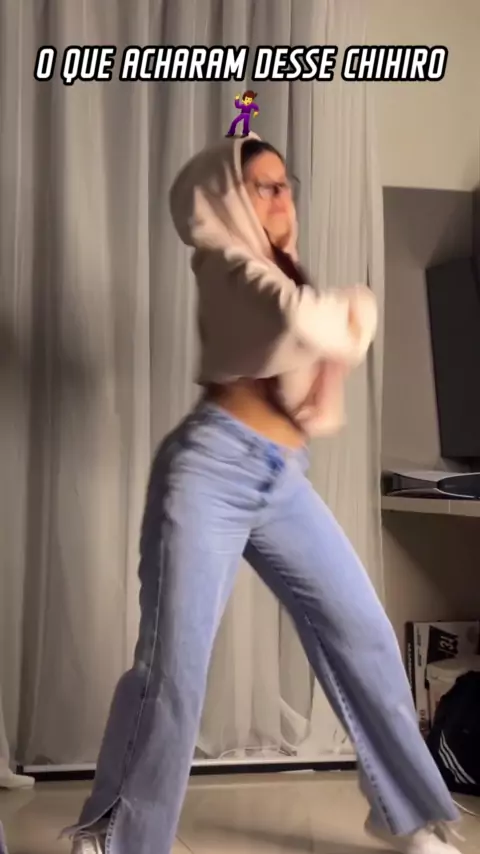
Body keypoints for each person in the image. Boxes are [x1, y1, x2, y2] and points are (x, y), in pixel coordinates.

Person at [65, 135, 463, 854]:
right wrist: (351, 312)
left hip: (281, 480)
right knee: (174, 670)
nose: (283, 199)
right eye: (264, 187)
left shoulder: (280, 275)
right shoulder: (230, 268)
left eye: (286, 186)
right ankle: (113, 832)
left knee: (364, 632)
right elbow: (309, 320)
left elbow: (318, 367)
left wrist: (344, 325)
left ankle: (404, 813)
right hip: (209, 472)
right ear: (229, 201)